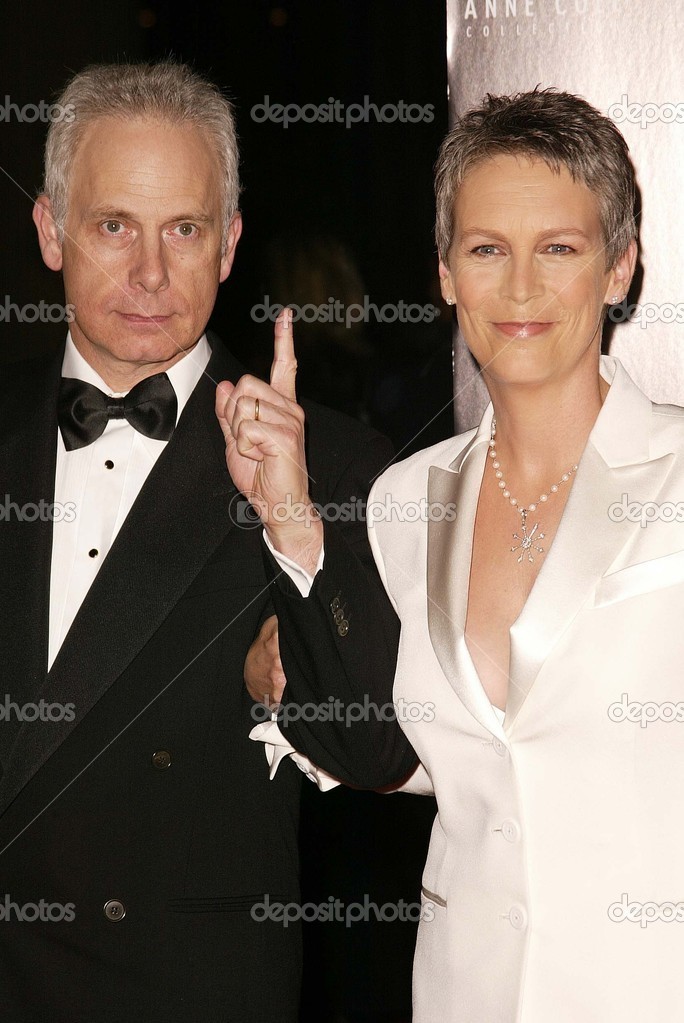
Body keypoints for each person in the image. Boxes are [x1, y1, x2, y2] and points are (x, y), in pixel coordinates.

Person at [226, 89, 684, 1021]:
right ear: (444, 273)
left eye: (559, 248)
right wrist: (293, 525)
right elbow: (411, 751)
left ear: (620, 268)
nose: (519, 288)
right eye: (486, 249)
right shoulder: (404, 499)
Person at [0, 60, 416, 1022]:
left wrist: (292, 523)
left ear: (228, 244)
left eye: (184, 229)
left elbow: (372, 747)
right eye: (114, 226)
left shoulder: (333, 463)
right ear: (51, 231)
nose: (151, 273)